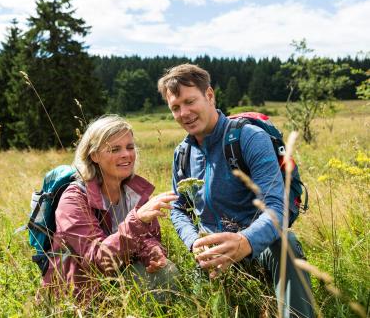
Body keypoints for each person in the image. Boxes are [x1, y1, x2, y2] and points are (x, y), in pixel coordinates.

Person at [157, 64, 314, 317]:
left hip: (258, 247)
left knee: (286, 245)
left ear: (209, 95)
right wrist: (194, 242)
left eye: (190, 101)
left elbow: (277, 206)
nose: (184, 113)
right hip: (211, 255)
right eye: (175, 107)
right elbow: (178, 207)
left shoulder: (248, 138)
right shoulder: (182, 154)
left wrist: (245, 241)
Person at [42, 114, 179, 301]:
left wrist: (152, 253)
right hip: (80, 295)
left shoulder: (135, 193)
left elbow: (148, 238)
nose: (126, 154)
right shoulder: (74, 199)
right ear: (94, 155)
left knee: (167, 271)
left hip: (117, 281)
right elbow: (97, 259)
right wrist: (137, 220)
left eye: (130, 147)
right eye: (115, 149)